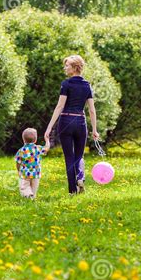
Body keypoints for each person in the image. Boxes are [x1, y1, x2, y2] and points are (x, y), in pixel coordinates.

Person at [44, 55, 99, 195]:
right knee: (79, 156)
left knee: (69, 157)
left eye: (67, 65)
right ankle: (80, 176)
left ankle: (72, 191)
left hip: (66, 122)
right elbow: (92, 110)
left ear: (75, 67)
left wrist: (49, 127)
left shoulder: (66, 84)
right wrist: (94, 129)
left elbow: (60, 106)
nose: (65, 68)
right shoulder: (87, 85)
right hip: (81, 122)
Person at [15, 128, 50, 199]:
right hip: (36, 173)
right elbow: (46, 149)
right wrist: (47, 140)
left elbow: (18, 162)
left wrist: (18, 170)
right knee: (34, 188)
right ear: (35, 140)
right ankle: (32, 197)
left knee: (24, 187)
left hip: (25, 173)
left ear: (23, 140)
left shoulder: (21, 150)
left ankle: (28, 194)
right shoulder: (38, 148)